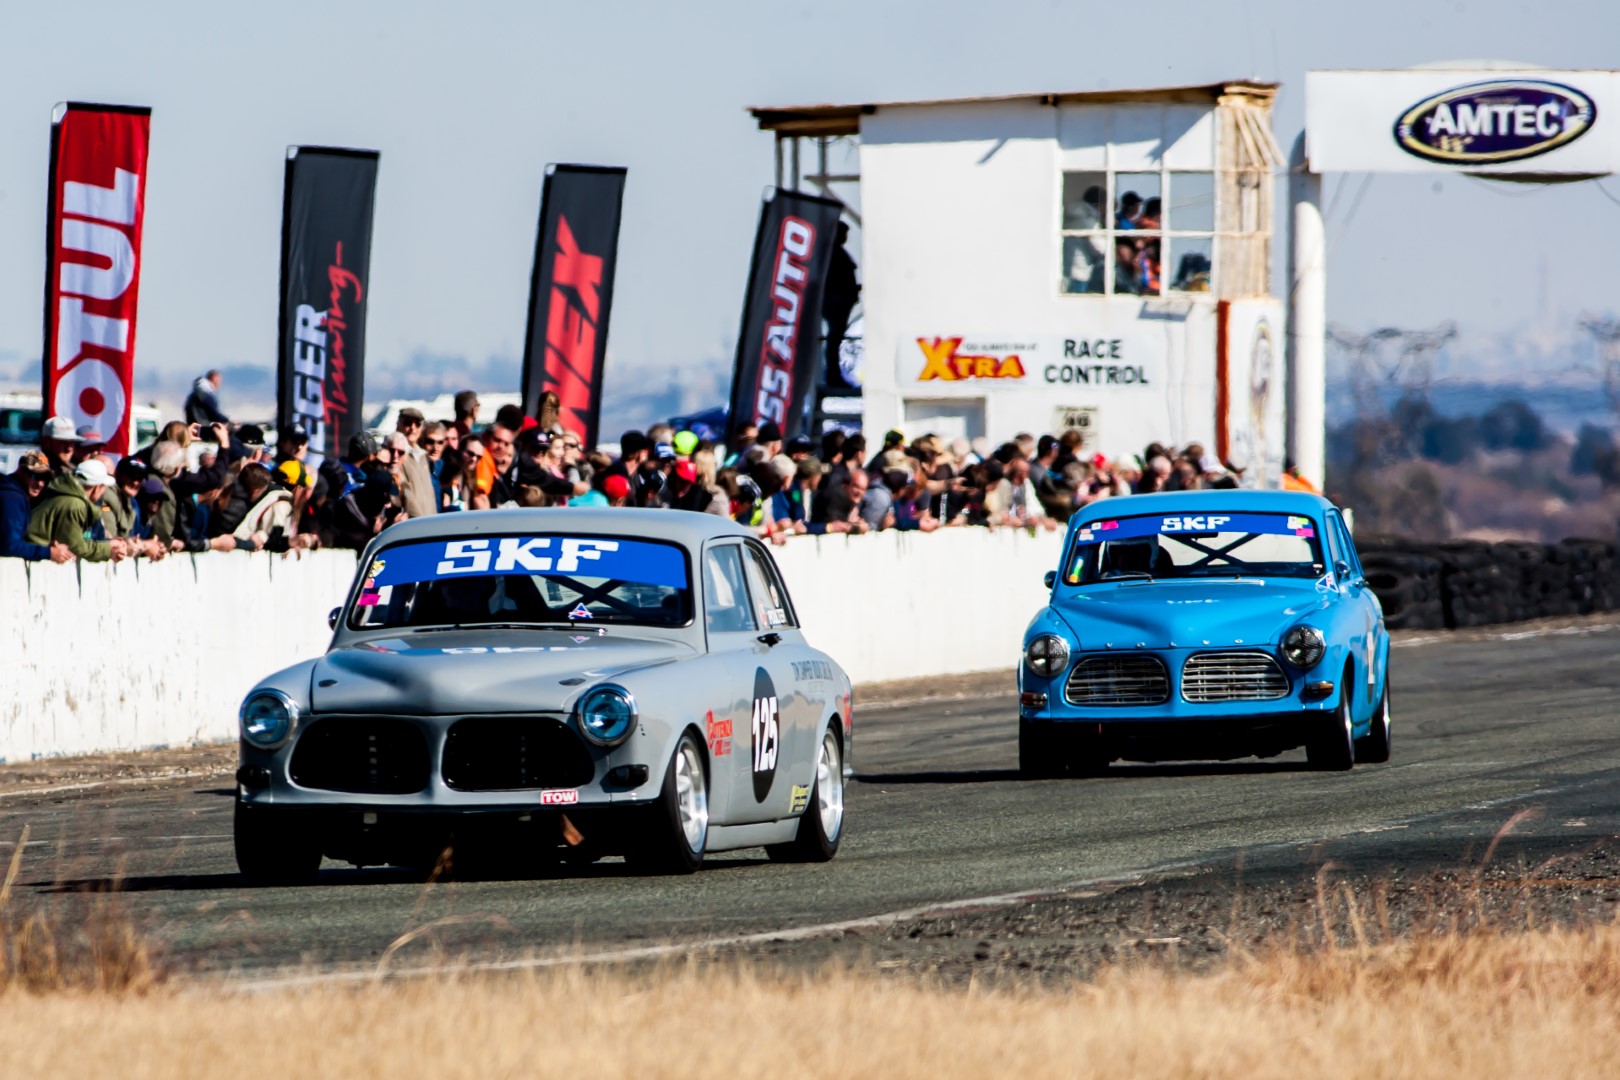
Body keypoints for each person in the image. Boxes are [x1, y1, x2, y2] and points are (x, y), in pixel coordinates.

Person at [25, 458, 131, 563]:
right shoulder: (75, 505)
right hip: (35, 561)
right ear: (97, 488)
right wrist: (108, 549)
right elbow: (74, 548)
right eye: (104, 487)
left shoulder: (69, 499)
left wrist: (109, 544)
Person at [0, 452, 72, 562]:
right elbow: (8, 546)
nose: (40, 484)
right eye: (36, 476)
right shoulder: (12, 499)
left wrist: (46, 548)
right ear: (21, 471)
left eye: (45, 478)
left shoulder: (11, 492)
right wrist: (48, 552)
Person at [822, 220, 861, 390]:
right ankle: (833, 375)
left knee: (836, 340)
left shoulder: (835, 253)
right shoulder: (833, 254)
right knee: (834, 340)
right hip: (836, 304)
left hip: (841, 303)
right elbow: (836, 281)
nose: (846, 237)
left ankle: (834, 375)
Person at [392, 409, 436, 519]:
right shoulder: (395, 455)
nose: (413, 428)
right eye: (408, 423)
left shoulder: (423, 456)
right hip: (414, 523)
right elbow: (405, 494)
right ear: (398, 424)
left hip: (430, 521)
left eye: (417, 424)